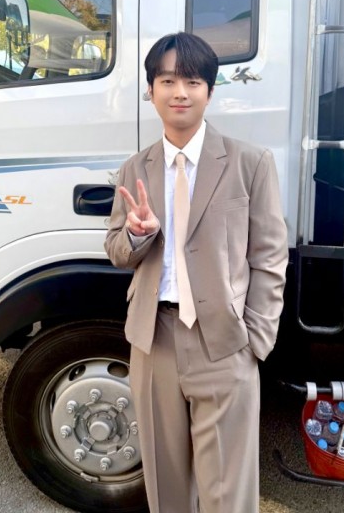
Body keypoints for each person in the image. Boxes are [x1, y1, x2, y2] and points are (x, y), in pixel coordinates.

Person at [105, 32, 288, 513]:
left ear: (209, 90)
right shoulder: (134, 169)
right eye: (167, 81)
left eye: (192, 81)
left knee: (228, 494)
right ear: (151, 91)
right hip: (153, 340)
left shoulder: (250, 163)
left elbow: (270, 257)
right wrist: (137, 235)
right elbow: (117, 251)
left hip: (224, 341)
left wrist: (256, 338)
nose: (179, 92)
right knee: (165, 489)